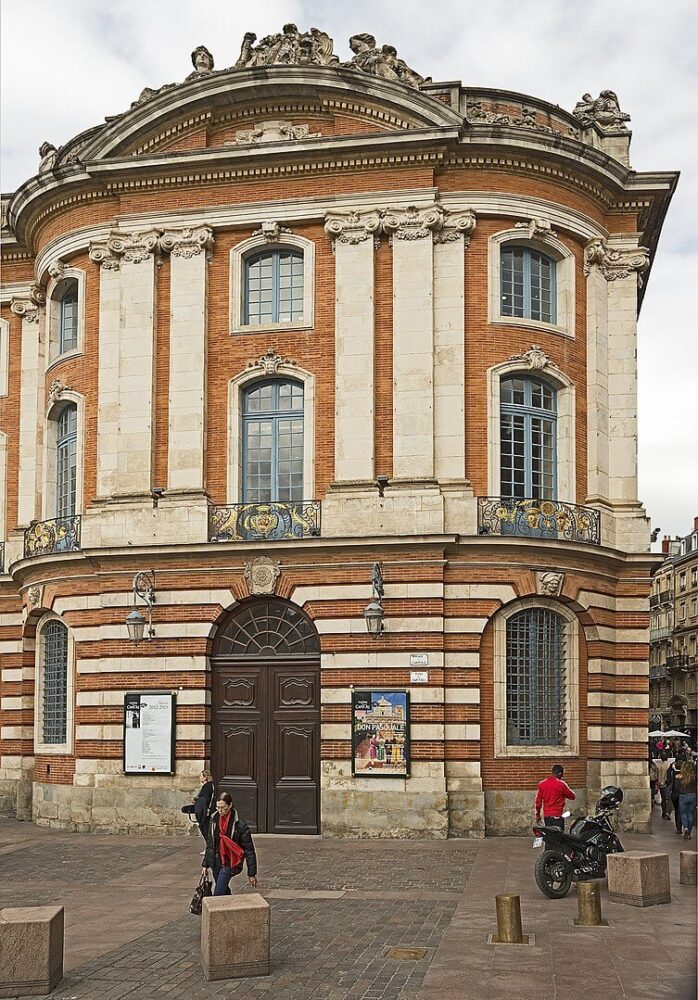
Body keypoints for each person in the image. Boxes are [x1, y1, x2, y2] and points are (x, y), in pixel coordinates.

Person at [202, 792, 257, 895]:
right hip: (216, 860)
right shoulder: (214, 820)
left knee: (218, 892)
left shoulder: (240, 826)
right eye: (218, 807)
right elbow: (210, 844)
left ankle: (218, 909)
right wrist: (205, 865)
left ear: (230, 805)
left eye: (223, 807)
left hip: (230, 861)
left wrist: (251, 873)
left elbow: (249, 851)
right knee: (223, 889)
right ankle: (229, 908)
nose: (220, 810)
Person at [534, 765, 576, 831]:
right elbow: (572, 796)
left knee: (549, 836)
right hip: (558, 815)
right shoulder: (561, 784)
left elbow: (538, 802)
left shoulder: (542, 784)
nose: (562, 777)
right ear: (560, 773)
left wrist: (537, 815)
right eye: (562, 775)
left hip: (547, 816)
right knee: (559, 837)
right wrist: (563, 794)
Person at [181, 769, 215, 844]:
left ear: (205, 777)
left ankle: (209, 847)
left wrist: (197, 801)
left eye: (201, 776)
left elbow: (204, 800)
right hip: (205, 811)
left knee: (205, 829)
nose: (199, 778)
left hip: (205, 812)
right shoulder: (209, 786)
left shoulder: (207, 787)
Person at [677, 760, 697, 840]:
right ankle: (689, 833)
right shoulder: (694, 776)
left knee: (683, 814)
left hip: (683, 796)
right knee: (691, 815)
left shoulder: (679, 776)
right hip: (693, 795)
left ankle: (685, 828)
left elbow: (677, 787)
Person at [666, 761, 683, 835]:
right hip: (683, 794)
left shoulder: (673, 774)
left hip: (675, 795)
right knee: (683, 812)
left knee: (677, 811)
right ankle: (685, 827)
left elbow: (670, 783)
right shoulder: (685, 774)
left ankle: (679, 827)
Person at [656, 751, 672, 819]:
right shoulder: (669, 764)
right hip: (668, 784)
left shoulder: (659, 766)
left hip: (661, 784)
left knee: (663, 799)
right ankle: (667, 813)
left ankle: (663, 812)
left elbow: (658, 775)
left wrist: (659, 782)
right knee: (668, 799)